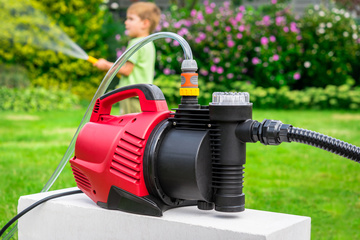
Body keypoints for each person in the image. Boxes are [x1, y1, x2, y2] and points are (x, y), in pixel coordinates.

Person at [94, 2, 161, 114]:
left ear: (145, 23)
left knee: (128, 126)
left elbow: (126, 70)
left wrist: (106, 65)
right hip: (143, 95)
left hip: (131, 94)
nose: (126, 22)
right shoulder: (149, 43)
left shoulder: (136, 43)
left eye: (131, 19)